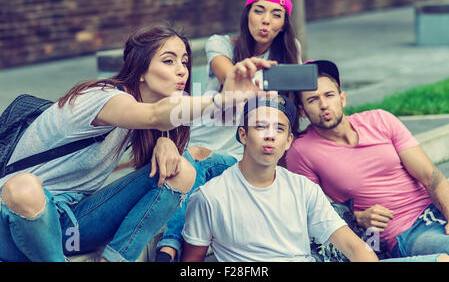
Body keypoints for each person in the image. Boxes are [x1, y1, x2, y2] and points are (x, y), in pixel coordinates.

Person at [0, 25, 273, 262]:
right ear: (141, 71)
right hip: (17, 223)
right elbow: (154, 115)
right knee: (24, 188)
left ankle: (117, 259)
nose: (182, 71)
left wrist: (165, 141)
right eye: (168, 61)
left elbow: (159, 116)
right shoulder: (100, 97)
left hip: (72, 221)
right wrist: (220, 100)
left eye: (184, 62)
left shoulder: (144, 118)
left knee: (182, 169)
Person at [156, 0, 303, 262]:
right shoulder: (219, 43)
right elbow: (227, 74)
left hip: (238, 154)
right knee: (194, 160)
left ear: (284, 24)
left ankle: (169, 248)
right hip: (197, 140)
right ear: (247, 13)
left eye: (276, 14)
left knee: (201, 161)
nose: (266, 20)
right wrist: (246, 79)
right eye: (259, 10)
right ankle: (172, 246)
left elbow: (288, 104)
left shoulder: (287, 51)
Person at [180, 94, 380, 262]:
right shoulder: (210, 197)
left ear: (288, 141)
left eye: (279, 129)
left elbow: (355, 247)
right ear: (243, 135)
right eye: (260, 127)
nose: (270, 136)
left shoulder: (303, 189)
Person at [285, 60, 449, 259]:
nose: (324, 105)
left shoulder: (380, 120)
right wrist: (358, 218)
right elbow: (312, 215)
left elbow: (431, 177)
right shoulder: (301, 152)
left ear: (342, 98)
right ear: (302, 110)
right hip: (404, 232)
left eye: (329, 95)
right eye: (312, 100)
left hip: (437, 207)